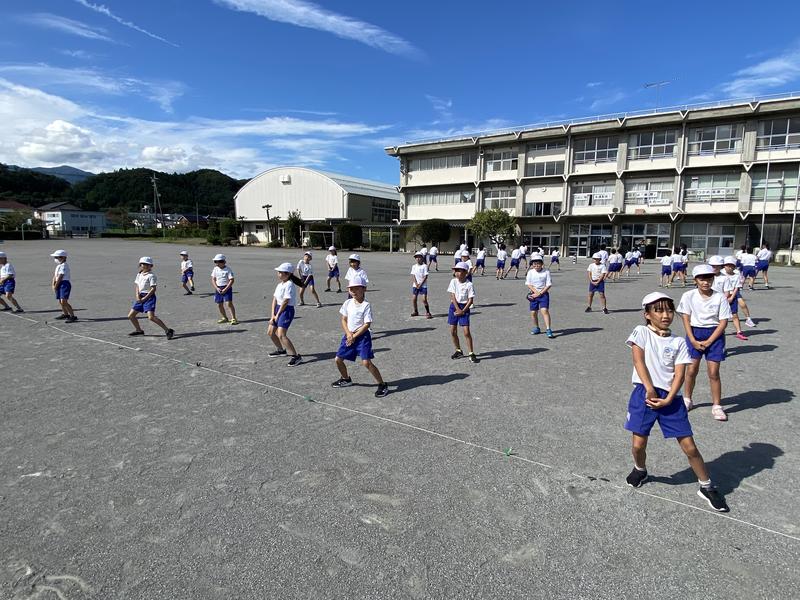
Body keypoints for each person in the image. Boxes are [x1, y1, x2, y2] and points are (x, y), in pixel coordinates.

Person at [623, 291, 729, 512]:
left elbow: (680, 373)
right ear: (647, 314)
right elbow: (638, 360)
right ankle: (640, 468)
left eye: (669, 310)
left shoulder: (679, 341)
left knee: (690, 447)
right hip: (644, 394)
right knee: (638, 444)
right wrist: (650, 388)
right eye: (658, 310)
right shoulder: (641, 332)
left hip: (671, 398)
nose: (665, 315)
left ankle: (706, 485)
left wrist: (670, 397)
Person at [677, 264, 731, 421]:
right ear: (695, 280)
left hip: (714, 335)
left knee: (713, 373)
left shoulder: (720, 297)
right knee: (691, 370)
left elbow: (723, 322)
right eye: (702, 279)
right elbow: (686, 318)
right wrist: (692, 339)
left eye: (709, 278)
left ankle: (717, 406)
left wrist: (709, 341)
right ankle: (687, 399)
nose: (706, 282)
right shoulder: (688, 296)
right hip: (694, 333)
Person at [331, 276, 389, 398]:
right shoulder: (347, 303)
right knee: (338, 359)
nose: (353, 291)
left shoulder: (366, 305)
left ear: (364, 289)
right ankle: (346, 379)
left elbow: (367, 324)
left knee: (366, 362)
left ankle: (382, 384)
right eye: (351, 289)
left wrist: (354, 336)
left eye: (357, 288)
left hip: (362, 337)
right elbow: (343, 319)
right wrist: (348, 334)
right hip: (349, 335)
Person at [127, 256, 174, 339]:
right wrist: (137, 296)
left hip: (149, 297)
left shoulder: (151, 276)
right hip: (140, 296)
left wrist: (145, 298)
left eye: (146, 264)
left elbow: (153, 289)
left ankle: (168, 330)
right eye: (142, 264)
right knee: (131, 315)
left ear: (151, 266)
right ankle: (139, 330)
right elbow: (137, 285)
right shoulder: (139, 274)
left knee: (151, 317)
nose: (144, 266)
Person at [268, 262, 302, 366]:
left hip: (286, 310)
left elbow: (286, 301)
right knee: (270, 332)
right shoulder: (279, 284)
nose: (278, 274)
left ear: (287, 274)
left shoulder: (290, 285)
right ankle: (281, 350)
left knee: (281, 334)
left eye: (280, 272)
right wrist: (272, 315)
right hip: (278, 309)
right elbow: (274, 299)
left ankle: (296, 356)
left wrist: (278, 314)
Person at [448, 262, 478, 363]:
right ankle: (458, 350)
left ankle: (471, 353)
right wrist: (457, 309)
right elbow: (452, 296)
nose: (456, 273)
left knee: (466, 332)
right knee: (452, 331)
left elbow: (470, 300)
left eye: (459, 271)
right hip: (454, 307)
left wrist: (463, 311)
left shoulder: (469, 284)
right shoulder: (453, 281)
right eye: (455, 270)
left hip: (464, 308)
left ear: (465, 272)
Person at [525, 254, 553, 338]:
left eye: (538, 264)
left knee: (544, 311)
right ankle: (536, 327)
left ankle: (548, 329)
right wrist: (536, 292)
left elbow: (548, 285)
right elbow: (528, 284)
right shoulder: (530, 272)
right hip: (533, 294)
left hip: (544, 294)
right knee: (533, 312)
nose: (536, 265)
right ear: (532, 264)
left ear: (542, 264)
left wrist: (540, 293)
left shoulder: (546, 272)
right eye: (534, 264)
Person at [721, 256, 748, 341]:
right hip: (721, 297)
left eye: (731, 265)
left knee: (734, 315)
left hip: (732, 296)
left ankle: (739, 332)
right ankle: (718, 331)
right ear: (724, 266)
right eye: (727, 265)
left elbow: (737, 287)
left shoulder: (736, 276)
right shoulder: (721, 274)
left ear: (734, 267)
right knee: (719, 316)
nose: (729, 267)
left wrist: (732, 297)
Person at [211, 254, 238, 324]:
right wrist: (216, 288)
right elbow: (213, 279)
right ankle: (224, 317)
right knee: (219, 304)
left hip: (227, 288)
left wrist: (226, 289)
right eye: (215, 262)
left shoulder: (228, 270)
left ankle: (234, 318)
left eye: (218, 262)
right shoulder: (215, 269)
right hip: (218, 288)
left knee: (229, 303)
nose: (216, 263)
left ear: (223, 262)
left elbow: (232, 280)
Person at [50, 249, 76, 322]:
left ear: (63, 257)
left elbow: (61, 276)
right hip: (58, 283)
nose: (55, 259)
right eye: (55, 257)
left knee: (64, 301)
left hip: (64, 284)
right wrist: (53, 284)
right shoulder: (59, 266)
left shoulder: (64, 266)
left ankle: (72, 316)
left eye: (57, 257)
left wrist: (56, 285)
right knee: (60, 300)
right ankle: (65, 314)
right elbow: (55, 276)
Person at [410, 251, 432, 319]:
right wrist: (416, 283)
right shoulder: (414, 266)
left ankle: (428, 312)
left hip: (423, 285)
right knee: (414, 299)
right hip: (415, 285)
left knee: (424, 300)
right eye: (416, 257)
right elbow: (413, 275)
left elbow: (425, 276)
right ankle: (416, 311)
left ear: (422, 258)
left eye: (419, 257)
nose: (418, 258)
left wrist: (421, 284)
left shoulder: (424, 266)